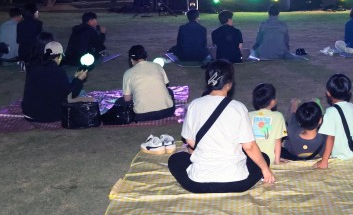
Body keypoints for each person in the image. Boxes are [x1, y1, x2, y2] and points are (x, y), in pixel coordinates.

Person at [168, 60, 275, 193]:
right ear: (229, 84)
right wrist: (265, 169)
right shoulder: (238, 107)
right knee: (263, 157)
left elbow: (190, 141)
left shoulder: (194, 105)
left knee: (175, 159)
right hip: (237, 183)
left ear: (208, 81)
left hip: (198, 184)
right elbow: (249, 147)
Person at [101, 45, 176, 124]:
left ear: (131, 60)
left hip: (141, 115)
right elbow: (165, 85)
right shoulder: (157, 66)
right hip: (168, 111)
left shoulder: (128, 73)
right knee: (169, 91)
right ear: (146, 57)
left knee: (120, 101)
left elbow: (127, 99)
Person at [20, 41, 88, 123]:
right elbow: (70, 95)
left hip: (28, 113)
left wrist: (75, 79)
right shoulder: (58, 71)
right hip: (48, 116)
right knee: (81, 94)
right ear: (59, 56)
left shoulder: (33, 67)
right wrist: (79, 79)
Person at [249, 83, 287, 165]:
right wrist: (277, 161)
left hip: (251, 159)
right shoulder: (278, 116)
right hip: (269, 159)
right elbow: (278, 141)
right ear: (273, 102)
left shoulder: (248, 115)